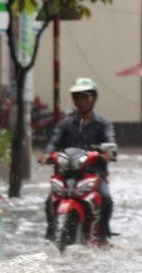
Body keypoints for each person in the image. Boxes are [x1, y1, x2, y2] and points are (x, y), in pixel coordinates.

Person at [41, 77, 117, 242]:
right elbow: (53, 142)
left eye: (85, 96)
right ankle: (50, 233)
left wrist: (107, 154)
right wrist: (47, 155)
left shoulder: (103, 124)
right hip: (67, 173)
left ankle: (103, 235)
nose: (81, 101)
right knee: (49, 200)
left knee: (107, 199)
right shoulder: (65, 124)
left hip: (94, 173)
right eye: (77, 97)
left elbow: (111, 145)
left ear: (94, 98)